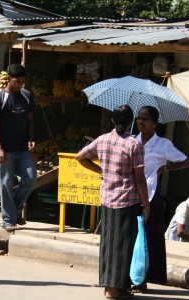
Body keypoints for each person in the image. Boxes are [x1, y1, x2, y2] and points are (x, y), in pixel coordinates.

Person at [76, 104, 150, 299]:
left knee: (109, 244)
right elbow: (140, 178)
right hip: (127, 199)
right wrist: (147, 204)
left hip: (107, 198)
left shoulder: (103, 139)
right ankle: (114, 289)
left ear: (112, 121)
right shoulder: (134, 144)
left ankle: (114, 286)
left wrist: (102, 171)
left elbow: (80, 157)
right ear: (130, 123)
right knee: (123, 245)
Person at [133, 105, 189, 292]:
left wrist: (163, 169)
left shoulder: (163, 144)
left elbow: (185, 161)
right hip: (132, 193)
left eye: (145, 119)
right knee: (134, 236)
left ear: (154, 123)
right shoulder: (133, 141)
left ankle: (145, 278)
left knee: (149, 237)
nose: (141, 122)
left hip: (151, 194)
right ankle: (133, 275)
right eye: (139, 118)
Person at [0, 64, 36, 232]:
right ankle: (8, 220)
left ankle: (13, 210)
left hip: (23, 148)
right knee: (6, 183)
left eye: (23, 81)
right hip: (5, 149)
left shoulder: (27, 96)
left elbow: (31, 119)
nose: (20, 84)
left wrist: (31, 138)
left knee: (30, 178)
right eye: (17, 81)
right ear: (9, 78)